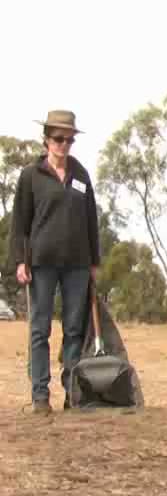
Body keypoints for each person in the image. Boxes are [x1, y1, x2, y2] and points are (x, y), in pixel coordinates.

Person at [8, 110, 101, 415]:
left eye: (69, 140)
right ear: (46, 140)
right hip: (42, 265)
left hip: (77, 264)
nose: (64, 145)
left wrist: (94, 262)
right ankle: (39, 396)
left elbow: (91, 221)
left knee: (74, 330)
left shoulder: (81, 175)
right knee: (40, 330)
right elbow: (19, 223)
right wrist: (21, 261)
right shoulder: (30, 176)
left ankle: (72, 394)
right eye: (58, 139)